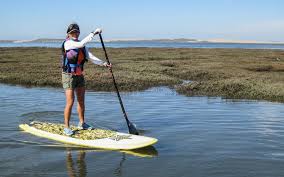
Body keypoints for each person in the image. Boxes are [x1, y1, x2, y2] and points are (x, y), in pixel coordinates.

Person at [61, 23, 111, 136]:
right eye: (72, 32)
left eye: (76, 32)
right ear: (68, 34)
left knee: (81, 101)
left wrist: (104, 63)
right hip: (68, 75)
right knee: (70, 102)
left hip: (79, 75)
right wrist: (94, 33)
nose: (75, 33)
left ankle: (82, 123)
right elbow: (82, 43)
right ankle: (66, 127)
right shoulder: (68, 43)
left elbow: (90, 57)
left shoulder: (81, 45)